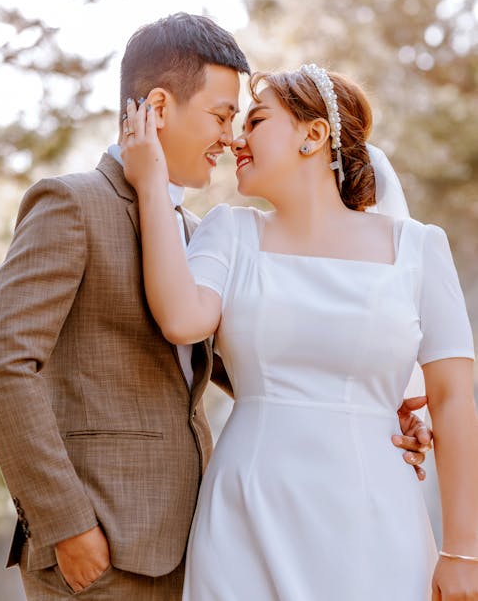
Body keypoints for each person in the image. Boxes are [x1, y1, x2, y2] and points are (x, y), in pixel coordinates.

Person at [121, 63, 478, 601]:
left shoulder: (420, 249)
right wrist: (151, 181)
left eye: (257, 120)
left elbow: (453, 402)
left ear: (314, 135)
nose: (237, 138)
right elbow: (180, 318)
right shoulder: (230, 231)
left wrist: (463, 553)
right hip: (247, 511)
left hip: (376, 516)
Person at [0, 13, 249, 600]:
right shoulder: (72, 204)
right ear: (158, 105)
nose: (231, 137)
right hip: (97, 553)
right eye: (221, 115)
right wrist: (66, 523)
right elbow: (2, 364)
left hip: (195, 546)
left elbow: (252, 367)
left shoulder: (198, 233)